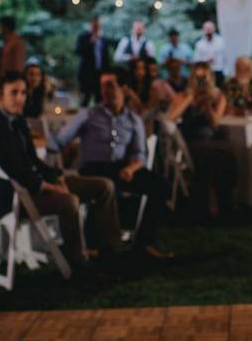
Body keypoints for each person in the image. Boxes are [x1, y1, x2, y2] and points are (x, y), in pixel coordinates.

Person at [0, 71, 121, 268]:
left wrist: (57, 177)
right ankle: (77, 263)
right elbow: (13, 169)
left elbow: (33, 160)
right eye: (14, 93)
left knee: (104, 186)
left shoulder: (18, 121)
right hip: (13, 195)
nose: (20, 98)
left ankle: (109, 251)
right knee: (69, 201)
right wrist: (48, 187)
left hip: (34, 184)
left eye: (24, 93)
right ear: (0, 94)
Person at [50, 67, 172, 259]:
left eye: (110, 86)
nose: (105, 91)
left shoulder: (133, 119)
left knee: (162, 186)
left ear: (124, 89)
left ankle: (144, 242)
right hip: (93, 167)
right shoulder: (88, 114)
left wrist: (131, 169)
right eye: (102, 86)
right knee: (105, 187)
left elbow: (139, 154)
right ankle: (96, 245)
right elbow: (59, 141)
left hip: (122, 167)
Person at [167, 62, 236, 219]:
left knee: (227, 153)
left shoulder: (218, 96)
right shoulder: (183, 95)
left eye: (203, 78)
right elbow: (170, 118)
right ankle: (210, 204)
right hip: (190, 140)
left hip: (210, 138)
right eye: (197, 77)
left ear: (210, 78)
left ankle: (224, 201)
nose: (200, 81)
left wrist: (207, 105)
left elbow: (215, 123)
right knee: (209, 156)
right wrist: (190, 98)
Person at [75, 17, 112, 108]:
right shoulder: (83, 37)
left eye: (98, 25)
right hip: (86, 73)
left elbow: (106, 57)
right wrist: (90, 42)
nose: (96, 27)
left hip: (99, 73)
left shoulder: (103, 39)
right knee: (85, 99)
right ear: (91, 25)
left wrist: (107, 72)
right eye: (94, 25)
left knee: (99, 99)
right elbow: (78, 51)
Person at [193, 21, 226, 86]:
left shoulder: (221, 42)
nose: (209, 32)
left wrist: (225, 70)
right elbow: (196, 60)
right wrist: (206, 62)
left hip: (219, 71)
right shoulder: (199, 44)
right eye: (207, 30)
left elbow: (225, 57)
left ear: (214, 29)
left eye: (210, 30)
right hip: (205, 73)